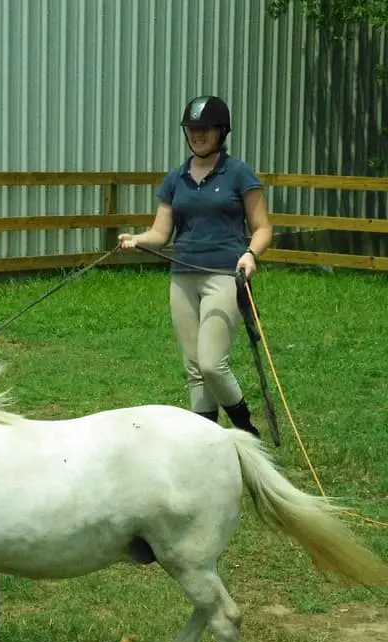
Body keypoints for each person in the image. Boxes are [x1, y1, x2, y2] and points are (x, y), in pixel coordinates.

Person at [118, 94, 273, 436]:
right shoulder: (176, 179)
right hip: (183, 278)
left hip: (223, 277)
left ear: (221, 131)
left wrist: (250, 254)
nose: (197, 135)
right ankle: (206, 441)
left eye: (205, 128)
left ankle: (247, 432)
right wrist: (138, 239)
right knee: (193, 368)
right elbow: (160, 233)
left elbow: (263, 228)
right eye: (192, 128)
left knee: (211, 364)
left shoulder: (238, 173)